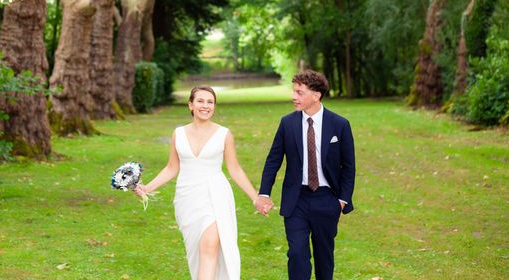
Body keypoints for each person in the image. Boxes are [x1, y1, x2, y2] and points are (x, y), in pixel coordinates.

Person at [135, 86, 263, 280]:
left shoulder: (224, 134)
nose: (205, 106)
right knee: (196, 252)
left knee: (210, 244)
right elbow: (171, 168)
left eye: (210, 102)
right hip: (187, 198)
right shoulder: (178, 133)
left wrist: (256, 198)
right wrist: (147, 187)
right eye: (201, 101)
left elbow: (234, 169)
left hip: (215, 195)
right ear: (191, 105)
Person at [255, 70, 355, 280]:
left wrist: (342, 200)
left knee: (323, 256)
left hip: (327, 199)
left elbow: (348, 166)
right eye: (294, 91)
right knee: (297, 254)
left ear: (316, 95)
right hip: (296, 199)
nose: (294, 97)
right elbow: (273, 160)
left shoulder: (340, 124)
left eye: (300, 92)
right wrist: (264, 193)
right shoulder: (287, 123)